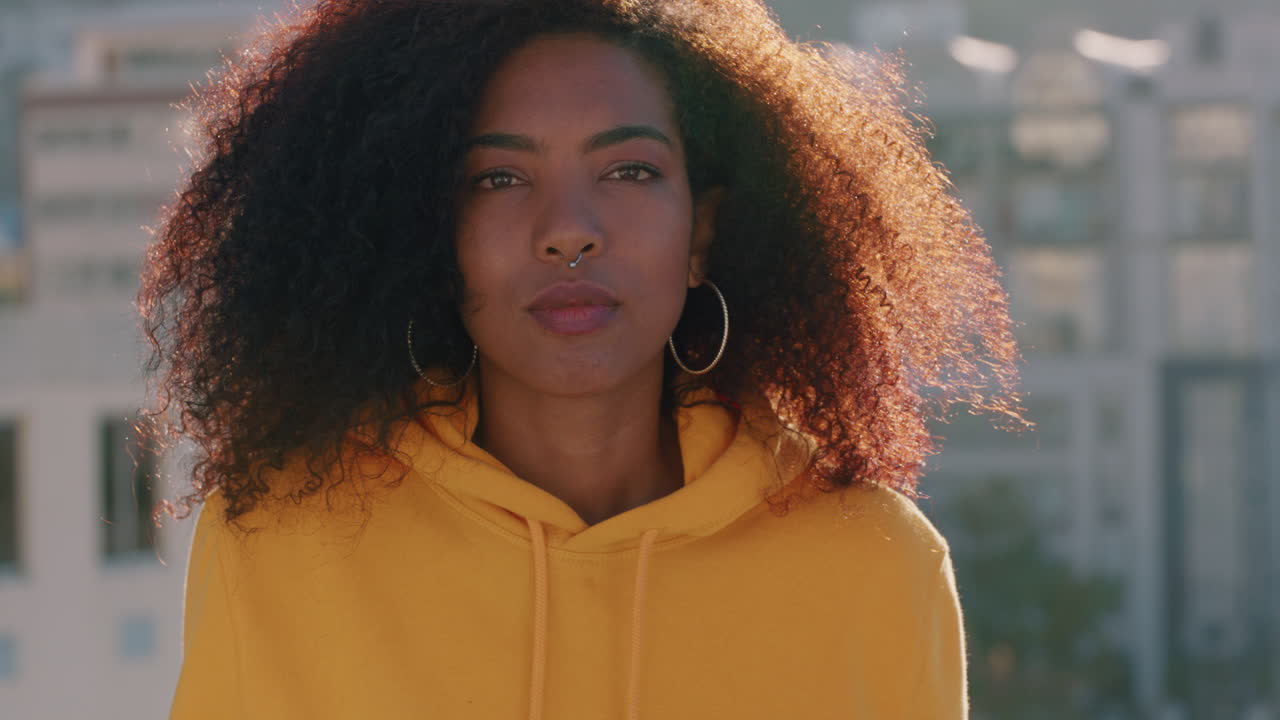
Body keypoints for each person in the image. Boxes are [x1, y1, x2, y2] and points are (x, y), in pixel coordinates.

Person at [141, 0, 1029, 717]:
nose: (568, 229)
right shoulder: (281, 545)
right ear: (429, 237)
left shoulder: (873, 566)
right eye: (498, 179)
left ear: (704, 230)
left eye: (629, 171)